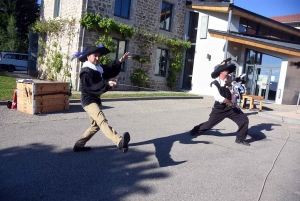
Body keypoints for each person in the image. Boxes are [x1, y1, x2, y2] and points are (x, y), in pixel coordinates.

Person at [72, 44, 131, 153]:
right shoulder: (86, 71)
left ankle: (78, 145)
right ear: (88, 56)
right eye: (95, 56)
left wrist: (120, 61)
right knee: (102, 121)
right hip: (89, 101)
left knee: (95, 126)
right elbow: (91, 88)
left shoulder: (98, 68)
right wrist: (107, 84)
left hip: (96, 100)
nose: (98, 58)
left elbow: (109, 69)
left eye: (99, 56)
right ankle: (119, 141)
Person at [190, 61, 250, 146]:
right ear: (220, 72)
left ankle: (240, 139)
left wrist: (230, 86)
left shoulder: (229, 81)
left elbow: (233, 92)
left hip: (230, 108)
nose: (227, 71)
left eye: (227, 70)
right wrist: (228, 101)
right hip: (219, 108)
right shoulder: (215, 83)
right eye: (225, 69)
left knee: (244, 119)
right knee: (209, 124)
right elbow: (218, 97)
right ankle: (196, 130)